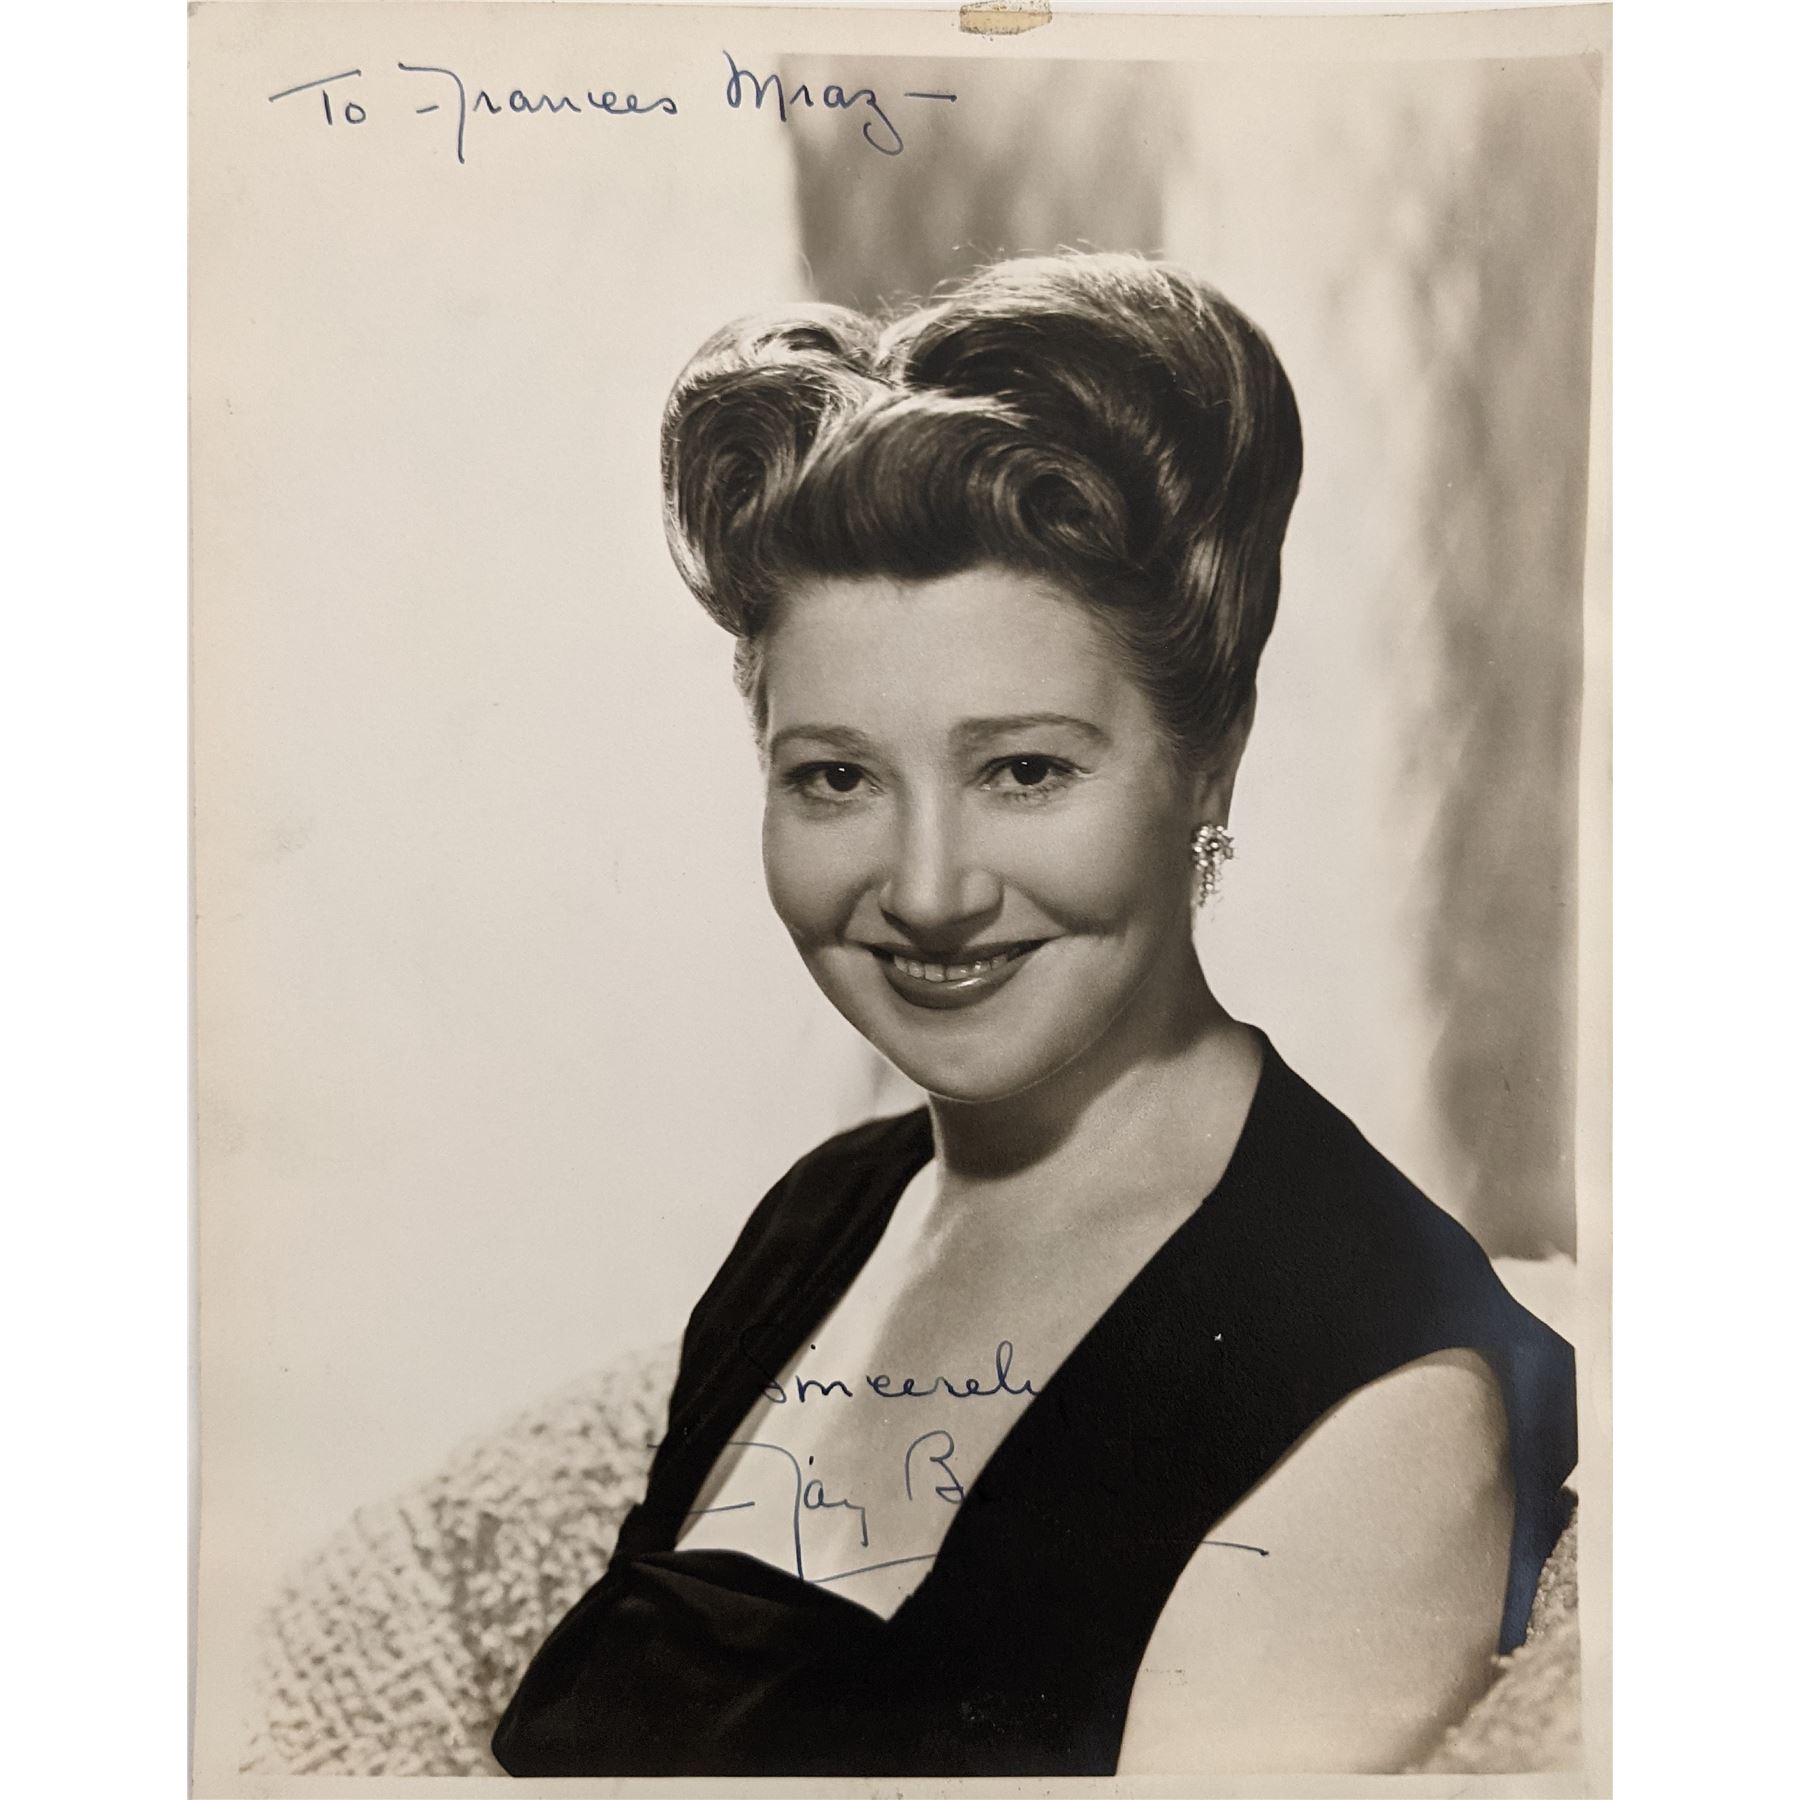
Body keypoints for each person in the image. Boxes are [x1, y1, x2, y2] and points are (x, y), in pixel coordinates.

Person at [491, 252, 1577, 1777]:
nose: (927, 890)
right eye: (836, 777)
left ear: (1208, 767)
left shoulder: (1378, 1391)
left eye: (1025, 771)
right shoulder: (823, 1217)